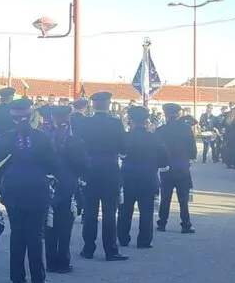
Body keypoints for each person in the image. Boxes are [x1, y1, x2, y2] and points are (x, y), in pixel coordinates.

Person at [0, 98, 59, 283]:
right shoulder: (42, 137)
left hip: (13, 189)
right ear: (30, 114)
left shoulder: (4, 138)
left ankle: (17, 276)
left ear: (12, 116)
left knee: (17, 232)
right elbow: (53, 164)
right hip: (37, 189)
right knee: (35, 234)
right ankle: (38, 278)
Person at [75, 91, 127, 261]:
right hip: (110, 170)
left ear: (93, 105)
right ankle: (111, 250)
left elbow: (79, 145)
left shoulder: (85, 123)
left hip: (90, 170)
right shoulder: (116, 123)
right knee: (110, 212)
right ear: (108, 104)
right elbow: (123, 150)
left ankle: (88, 248)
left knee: (90, 212)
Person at [38, 105, 87, 274]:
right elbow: (83, 166)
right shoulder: (75, 141)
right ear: (69, 119)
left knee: (49, 225)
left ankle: (51, 261)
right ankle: (63, 261)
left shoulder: (43, 139)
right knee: (65, 226)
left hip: (48, 184)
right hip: (68, 184)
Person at [118, 106, 168, 249]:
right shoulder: (154, 137)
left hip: (128, 176)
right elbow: (164, 158)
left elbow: (120, 153)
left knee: (125, 209)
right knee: (146, 210)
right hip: (148, 176)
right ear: (146, 120)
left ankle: (123, 237)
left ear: (131, 121)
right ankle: (144, 240)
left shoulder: (126, 137)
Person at [156, 103, 198, 236]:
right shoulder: (186, 129)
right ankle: (186, 224)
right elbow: (193, 148)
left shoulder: (160, 130)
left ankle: (162, 223)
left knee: (165, 197)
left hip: (166, 167)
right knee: (183, 198)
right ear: (178, 114)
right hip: (182, 167)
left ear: (166, 115)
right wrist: (190, 158)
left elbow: (157, 149)